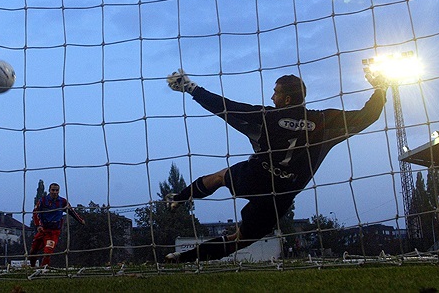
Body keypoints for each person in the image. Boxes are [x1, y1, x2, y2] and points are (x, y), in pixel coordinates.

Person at [163, 69, 388, 263]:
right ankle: (183, 259)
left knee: (219, 177)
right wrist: (380, 89)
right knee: (240, 240)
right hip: (282, 195)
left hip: (257, 176)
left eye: (276, 92)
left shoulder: (267, 117)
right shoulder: (324, 121)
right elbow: (368, 116)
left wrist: (190, 87)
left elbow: (225, 106)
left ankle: (179, 199)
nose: (272, 97)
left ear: (287, 99)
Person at [29, 182, 85, 267]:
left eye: (57, 190)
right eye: (53, 190)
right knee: (33, 251)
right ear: (49, 190)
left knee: (48, 252)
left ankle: (44, 269)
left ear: (59, 191)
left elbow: (71, 211)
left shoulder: (62, 201)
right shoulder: (43, 200)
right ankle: (32, 267)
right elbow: (35, 212)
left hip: (54, 232)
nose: (55, 192)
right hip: (43, 230)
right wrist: (39, 225)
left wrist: (80, 220)